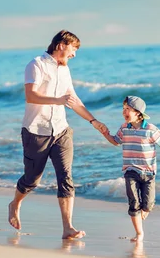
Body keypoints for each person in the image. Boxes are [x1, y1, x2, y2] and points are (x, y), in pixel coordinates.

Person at [8, 30, 108, 239]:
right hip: (36, 130)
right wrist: (57, 100)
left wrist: (94, 121)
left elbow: (73, 99)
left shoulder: (65, 70)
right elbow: (30, 95)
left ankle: (68, 228)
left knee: (66, 176)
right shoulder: (36, 64)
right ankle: (15, 203)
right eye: (73, 49)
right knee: (32, 179)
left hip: (61, 130)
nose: (74, 55)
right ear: (62, 45)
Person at [102, 96, 160, 242]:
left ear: (138, 112)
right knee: (134, 203)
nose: (124, 112)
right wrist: (105, 133)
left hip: (148, 172)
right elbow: (115, 141)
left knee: (148, 204)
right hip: (130, 170)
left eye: (128, 109)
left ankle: (145, 210)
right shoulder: (124, 128)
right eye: (123, 109)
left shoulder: (150, 129)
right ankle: (139, 233)